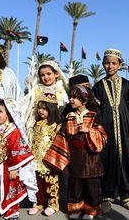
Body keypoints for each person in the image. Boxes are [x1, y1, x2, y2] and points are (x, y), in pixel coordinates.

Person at [44, 85, 107, 219]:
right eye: (70, 97)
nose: (71, 100)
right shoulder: (69, 117)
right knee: (75, 185)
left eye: (74, 97)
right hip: (74, 157)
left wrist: (89, 131)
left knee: (91, 186)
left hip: (90, 158)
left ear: (84, 100)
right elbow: (62, 136)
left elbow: (103, 136)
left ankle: (91, 210)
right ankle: (75, 209)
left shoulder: (93, 116)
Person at [92, 48, 129, 213]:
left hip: (125, 130)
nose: (110, 66)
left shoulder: (127, 85)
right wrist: (98, 130)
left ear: (120, 65)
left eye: (113, 63)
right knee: (107, 161)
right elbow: (96, 111)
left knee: (126, 160)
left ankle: (127, 197)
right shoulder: (98, 86)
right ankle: (107, 197)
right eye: (107, 63)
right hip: (106, 131)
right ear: (103, 65)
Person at [0, 98, 37, 220]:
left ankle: (11, 211)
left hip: (8, 167)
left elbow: (17, 150)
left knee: (9, 189)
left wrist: (14, 168)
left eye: (0, 111)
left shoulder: (13, 131)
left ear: (9, 113)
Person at [19, 60, 69, 145]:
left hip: (57, 126)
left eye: (49, 74)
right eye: (42, 75)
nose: (45, 77)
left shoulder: (62, 89)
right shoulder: (37, 89)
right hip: (37, 126)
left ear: (56, 74)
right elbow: (26, 106)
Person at [28, 93, 61, 217]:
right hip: (36, 158)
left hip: (49, 160)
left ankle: (53, 204)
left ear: (51, 109)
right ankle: (38, 203)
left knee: (51, 183)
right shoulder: (36, 124)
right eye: (40, 108)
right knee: (37, 183)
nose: (41, 111)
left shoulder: (57, 125)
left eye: (44, 108)